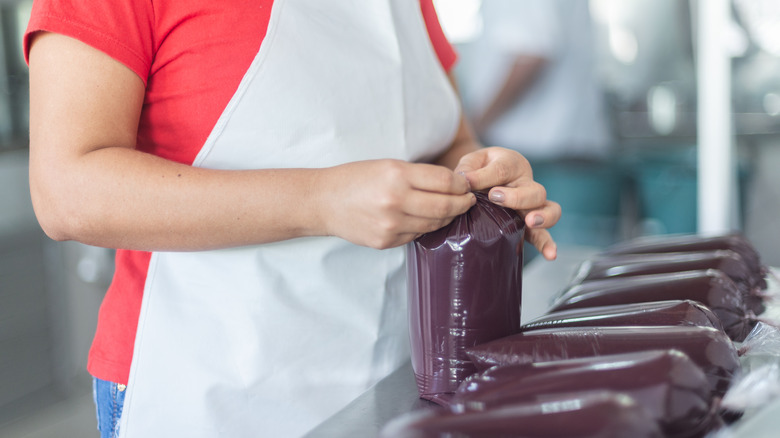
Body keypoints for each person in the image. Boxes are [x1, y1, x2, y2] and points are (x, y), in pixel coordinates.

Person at [25, 0, 560, 436]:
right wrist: (322, 200)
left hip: (402, 381)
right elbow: (67, 190)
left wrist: (482, 178)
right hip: (216, 389)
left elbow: (449, 143)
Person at [461, 0, 618, 249]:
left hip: (555, 163)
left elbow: (532, 54)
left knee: (561, 274)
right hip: (563, 158)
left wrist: (474, 124)